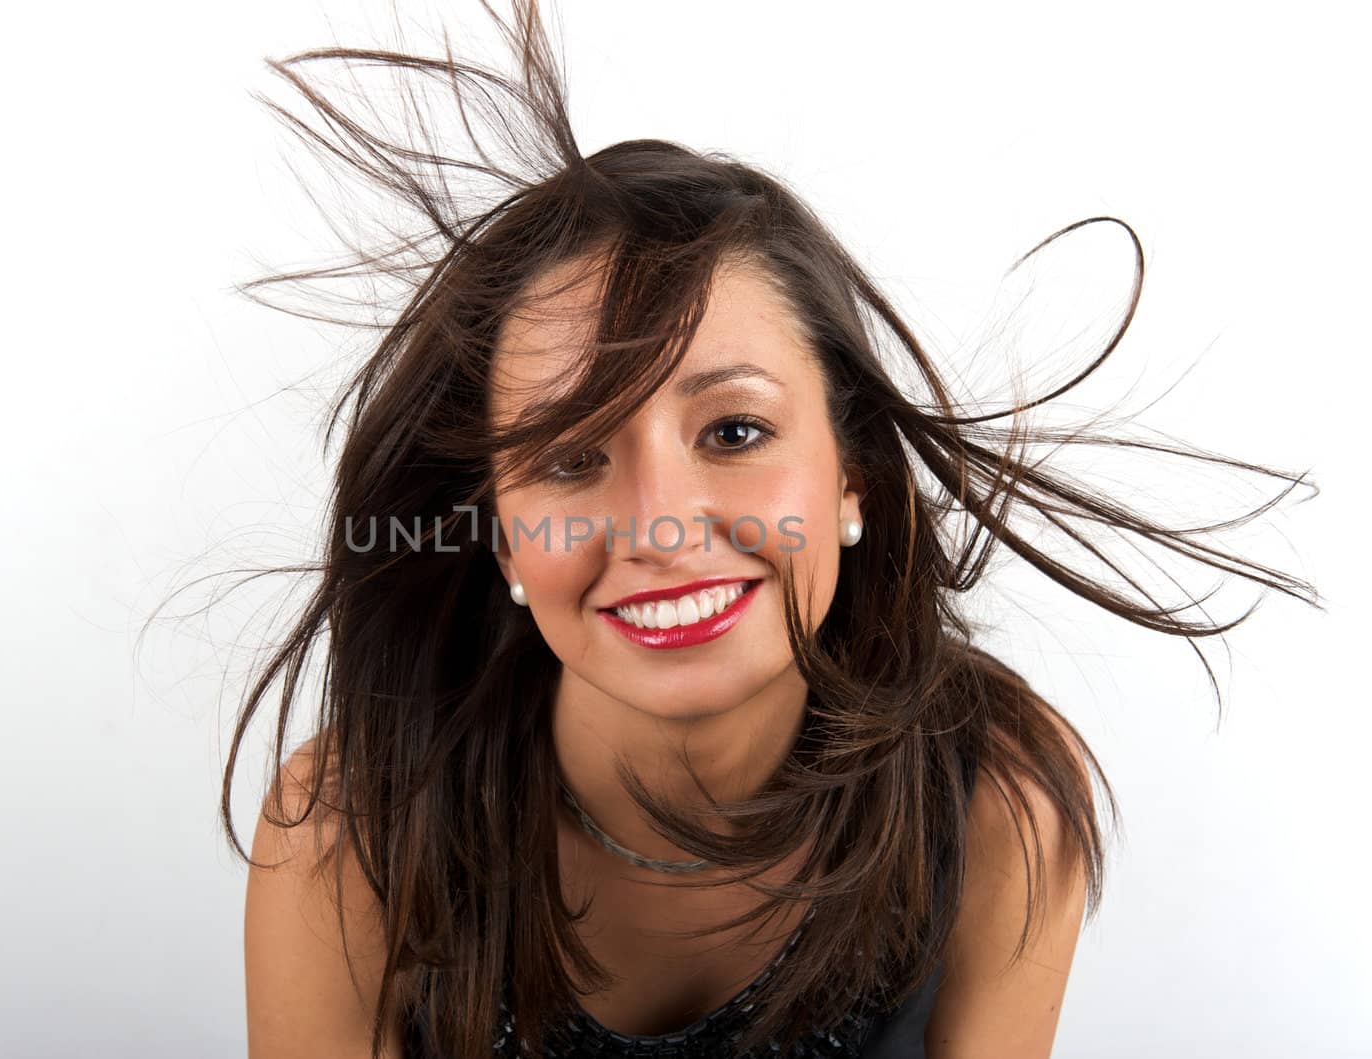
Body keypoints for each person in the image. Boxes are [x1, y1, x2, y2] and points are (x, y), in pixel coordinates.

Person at [230, 3, 1319, 1056]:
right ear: (503, 536)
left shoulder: (997, 796)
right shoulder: (347, 830)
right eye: (572, 458)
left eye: (735, 430)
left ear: (851, 477)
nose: (659, 525)